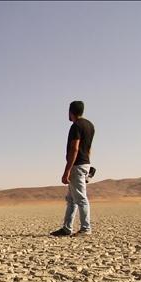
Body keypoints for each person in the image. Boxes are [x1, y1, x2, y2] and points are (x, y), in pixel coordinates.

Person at [51, 100, 95, 237]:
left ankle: (86, 228)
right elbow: (89, 148)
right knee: (71, 199)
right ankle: (67, 228)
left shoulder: (76, 126)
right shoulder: (90, 126)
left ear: (71, 111)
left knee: (81, 198)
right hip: (84, 164)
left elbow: (75, 149)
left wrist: (67, 170)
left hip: (77, 166)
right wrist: (87, 165)